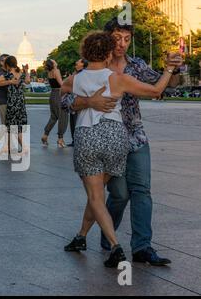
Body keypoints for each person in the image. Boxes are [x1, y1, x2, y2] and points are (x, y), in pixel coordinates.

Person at [64, 17, 182, 266]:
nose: (122, 44)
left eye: (127, 39)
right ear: (107, 39)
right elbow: (64, 100)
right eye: (117, 38)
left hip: (134, 137)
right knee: (118, 195)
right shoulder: (87, 67)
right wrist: (88, 102)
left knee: (141, 191)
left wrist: (173, 68)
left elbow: (165, 86)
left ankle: (142, 247)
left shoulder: (136, 65)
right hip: (108, 140)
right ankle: (109, 237)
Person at [0, 56, 30, 155]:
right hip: (20, 102)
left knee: (12, 127)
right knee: (17, 126)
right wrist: (26, 71)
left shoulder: (8, 75)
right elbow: (28, 81)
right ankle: (10, 147)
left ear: (8, 65)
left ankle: (22, 147)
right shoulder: (20, 73)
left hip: (12, 103)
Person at [41, 59, 68, 148]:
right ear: (53, 64)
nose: (56, 61)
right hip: (59, 94)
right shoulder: (56, 71)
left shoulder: (49, 72)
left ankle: (45, 135)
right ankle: (60, 139)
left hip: (52, 94)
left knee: (54, 117)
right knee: (63, 116)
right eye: (54, 61)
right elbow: (61, 84)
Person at [67, 58, 88, 147]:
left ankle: (79, 141)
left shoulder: (84, 74)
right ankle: (74, 140)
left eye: (78, 61)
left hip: (79, 100)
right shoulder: (76, 73)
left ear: (82, 64)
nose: (76, 62)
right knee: (72, 121)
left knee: (77, 121)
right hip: (72, 100)